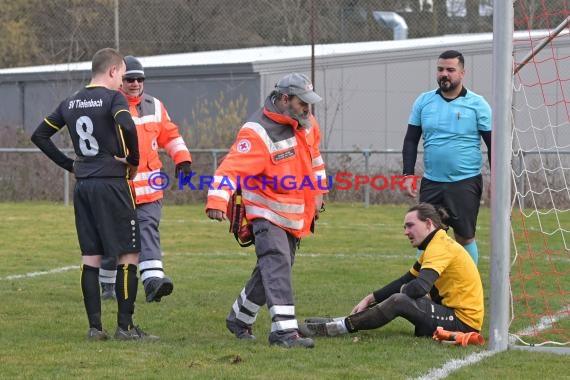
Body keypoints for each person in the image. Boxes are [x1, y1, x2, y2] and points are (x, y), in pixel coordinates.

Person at [30, 48, 157, 341]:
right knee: (128, 253)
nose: (124, 81)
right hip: (112, 182)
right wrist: (133, 161)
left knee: (91, 257)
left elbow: (39, 135)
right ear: (113, 71)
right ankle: (125, 328)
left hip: (84, 184)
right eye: (123, 75)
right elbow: (126, 124)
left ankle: (95, 328)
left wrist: (70, 165)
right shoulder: (114, 98)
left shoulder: (71, 101)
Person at [205, 73, 327, 348]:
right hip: (265, 211)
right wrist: (216, 201)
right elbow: (230, 168)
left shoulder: (306, 123)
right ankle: (284, 332)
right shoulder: (257, 131)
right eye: (302, 102)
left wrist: (319, 191)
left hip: (294, 213)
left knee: (271, 268)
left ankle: (239, 317)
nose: (308, 108)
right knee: (277, 264)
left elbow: (315, 157)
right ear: (285, 99)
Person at [299, 203, 484, 339]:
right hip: (452, 314)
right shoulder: (436, 243)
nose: (405, 232)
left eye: (410, 225)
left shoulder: (439, 246)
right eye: (404, 227)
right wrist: (370, 298)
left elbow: (419, 288)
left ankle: (336, 327)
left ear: (428, 224)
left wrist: (402, 292)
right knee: (402, 295)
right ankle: (338, 321)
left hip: (463, 324)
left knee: (399, 300)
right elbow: (405, 280)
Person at [99, 56, 192, 303]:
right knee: (114, 238)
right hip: (118, 187)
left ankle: (153, 282)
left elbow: (170, 136)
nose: (135, 84)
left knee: (147, 230)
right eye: (130, 79)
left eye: (140, 79)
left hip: (150, 191)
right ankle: (107, 281)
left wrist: (183, 159)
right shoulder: (107, 106)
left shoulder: (155, 106)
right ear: (120, 80)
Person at [402, 50, 492, 265]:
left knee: (464, 237)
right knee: (426, 237)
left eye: (450, 70)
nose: (444, 74)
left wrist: (496, 180)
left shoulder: (478, 104)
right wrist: (408, 174)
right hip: (432, 181)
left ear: (462, 73)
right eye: (440, 69)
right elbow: (411, 140)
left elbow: (493, 145)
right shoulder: (424, 102)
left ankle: (469, 289)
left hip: (465, 182)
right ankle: (421, 290)